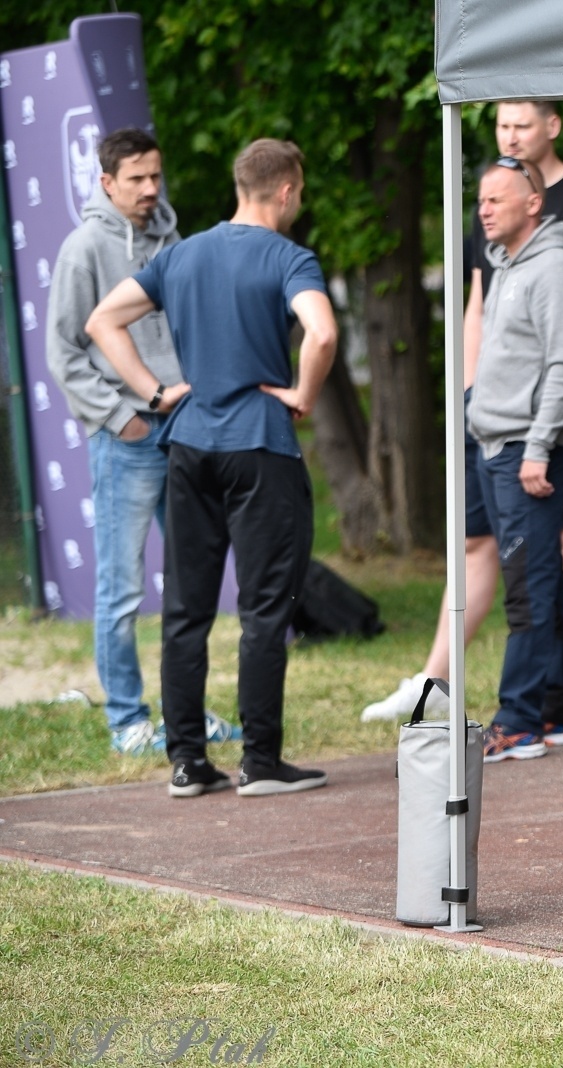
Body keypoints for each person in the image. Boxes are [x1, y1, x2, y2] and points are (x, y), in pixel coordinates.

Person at [87, 138, 337, 799]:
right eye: (300, 193)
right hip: (260, 448)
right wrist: (305, 395)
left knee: (186, 610)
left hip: (189, 445)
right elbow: (324, 332)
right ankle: (260, 760)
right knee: (262, 609)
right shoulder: (289, 257)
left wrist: (153, 391)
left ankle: (188, 763)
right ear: (285, 191)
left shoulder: (181, 254)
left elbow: (103, 320)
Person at [361, 100, 563, 729]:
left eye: (522, 123)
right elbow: (481, 315)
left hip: (540, 430)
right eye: (502, 125)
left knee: (542, 567)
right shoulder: (504, 248)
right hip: (494, 425)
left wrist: (555, 426)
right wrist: (471, 397)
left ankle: (532, 712)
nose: (484, 210)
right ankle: (528, 696)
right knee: (516, 563)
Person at [45, 128, 241, 756]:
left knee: (189, 581)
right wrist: (115, 415)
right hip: (128, 436)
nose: (150, 189)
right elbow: (63, 351)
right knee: (122, 588)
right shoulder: (84, 248)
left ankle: (185, 712)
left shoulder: (173, 241)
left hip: (183, 427)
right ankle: (127, 721)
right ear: (107, 182)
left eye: (156, 175)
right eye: (136, 179)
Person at [470, 157, 563, 761]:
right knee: (539, 574)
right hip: (498, 444)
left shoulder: (555, 269)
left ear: (533, 203)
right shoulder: (506, 266)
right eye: (481, 199)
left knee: (527, 584)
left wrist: (538, 449)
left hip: (529, 449)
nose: (484, 208)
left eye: (497, 199)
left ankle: (518, 719)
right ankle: (559, 704)